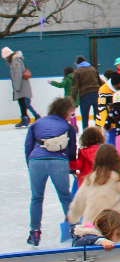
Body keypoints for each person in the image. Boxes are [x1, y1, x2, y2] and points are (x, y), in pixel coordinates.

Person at [24, 97, 77, 246]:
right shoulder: (68, 127)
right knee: (65, 197)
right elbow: (72, 151)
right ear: (66, 112)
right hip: (59, 162)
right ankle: (75, 230)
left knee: (36, 197)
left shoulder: (36, 123)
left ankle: (35, 232)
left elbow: (28, 146)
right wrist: (72, 168)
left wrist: (31, 164)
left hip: (36, 161)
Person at [3, 47, 40, 128]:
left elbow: (18, 74)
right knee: (22, 103)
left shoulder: (15, 61)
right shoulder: (16, 60)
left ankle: (28, 118)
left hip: (21, 86)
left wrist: (17, 87)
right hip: (21, 85)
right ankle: (26, 118)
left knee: (24, 103)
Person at [71, 56, 103, 130]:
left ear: (77, 63)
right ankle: (99, 132)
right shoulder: (93, 69)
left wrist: (72, 100)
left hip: (85, 95)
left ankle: (86, 133)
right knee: (97, 117)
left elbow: (75, 87)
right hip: (96, 94)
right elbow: (100, 81)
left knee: (85, 118)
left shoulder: (77, 71)